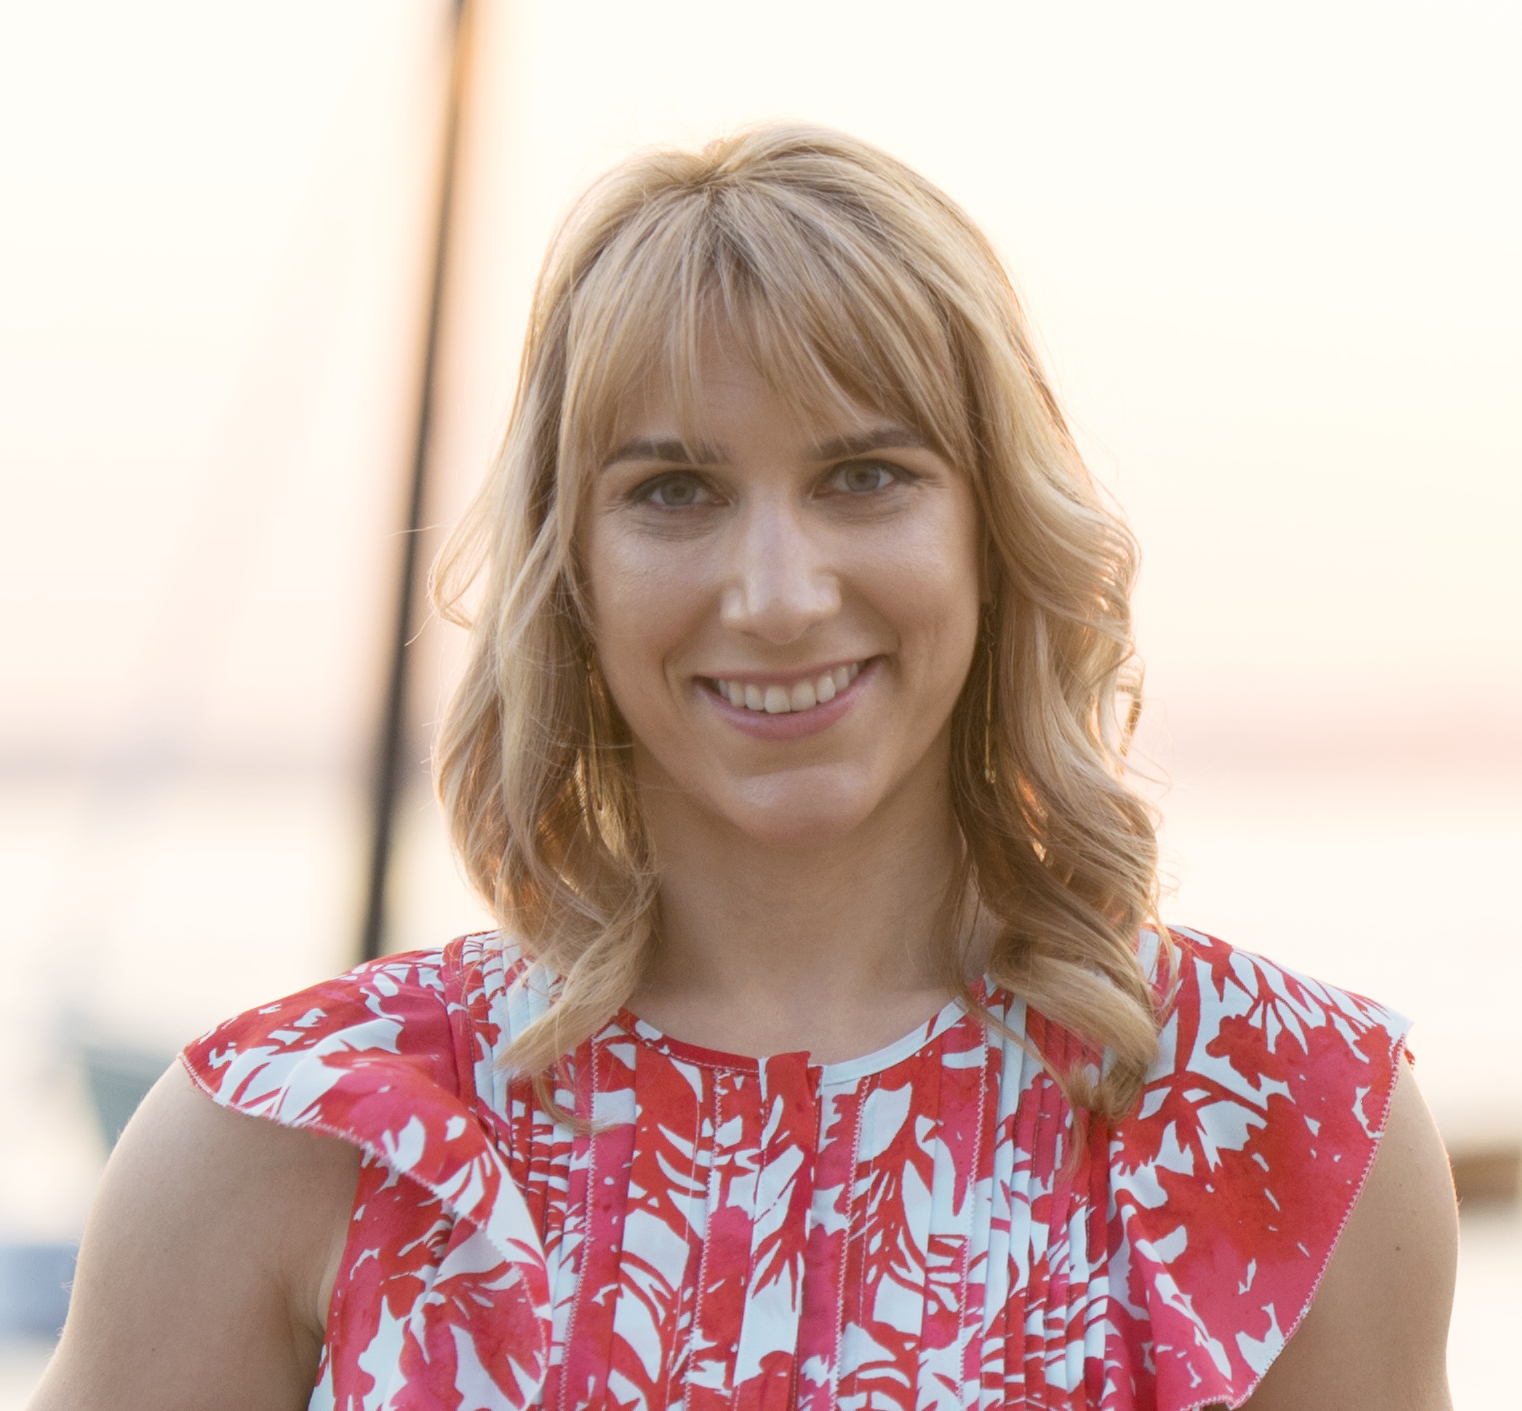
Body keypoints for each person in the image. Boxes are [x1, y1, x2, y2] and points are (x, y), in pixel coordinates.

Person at [30, 124, 1457, 1411]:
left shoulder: (1284, 1117)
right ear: (569, 565)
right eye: (673, 491)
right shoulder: (292, 1139)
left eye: (865, 475)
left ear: (993, 531)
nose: (775, 593)